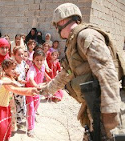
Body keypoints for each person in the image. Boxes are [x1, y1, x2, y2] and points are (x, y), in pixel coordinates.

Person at [40, 3, 121, 140]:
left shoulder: (86, 36)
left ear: (64, 20)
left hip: (102, 108)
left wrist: (110, 115)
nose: (55, 28)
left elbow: (107, 73)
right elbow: (66, 73)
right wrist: (46, 90)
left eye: (56, 24)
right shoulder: (73, 42)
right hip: (92, 105)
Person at [0, 58, 38, 141]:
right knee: (0, 126)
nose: (15, 70)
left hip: (4, 105)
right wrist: (30, 91)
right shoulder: (5, 80)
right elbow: (15, 90)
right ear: (5, 69)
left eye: (15, 68)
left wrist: (21, 80)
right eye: (12, 69)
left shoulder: (10, 77)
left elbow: (17, 83)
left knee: (5, 125)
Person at [26, 50, 51, 137]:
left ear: (44, 59)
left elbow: (43, 72)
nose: (39, 62)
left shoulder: (43, 66)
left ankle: (32, 117)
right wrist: (36, 86)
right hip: (30, 91)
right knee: (31, 107)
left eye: (41, 60)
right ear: (33, 60)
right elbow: (31, 79)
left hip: (38, 90)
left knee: (36, 106)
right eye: (37, 60)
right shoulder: (32, 69)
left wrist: (48, 78)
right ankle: (30, 128)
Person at [13, 47, 28, 129]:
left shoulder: (23, 63)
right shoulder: (13, 64)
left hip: (23, 87)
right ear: (14, 55)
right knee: (18, 104)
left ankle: (20, 119)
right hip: (16, 87)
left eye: (22, 54)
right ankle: (18, 121)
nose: (21, 56)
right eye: (19, 54)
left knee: (22, 103)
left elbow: (26, 68)